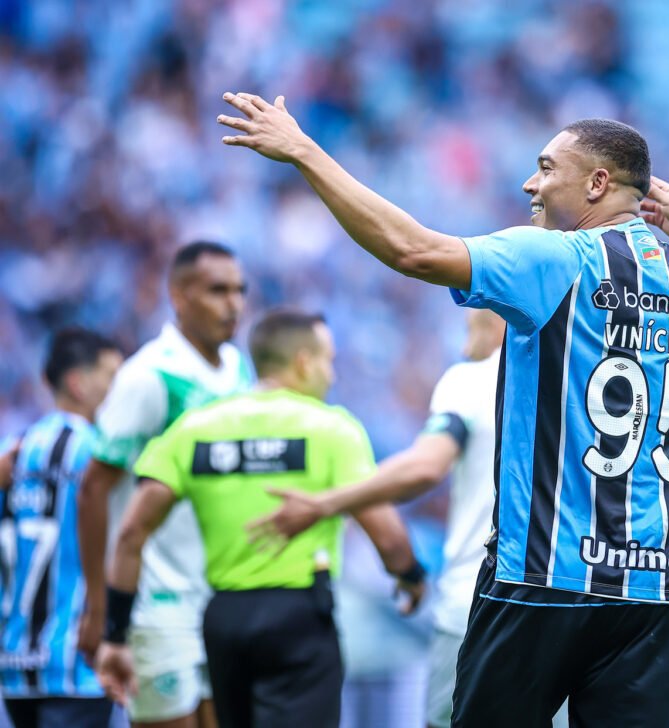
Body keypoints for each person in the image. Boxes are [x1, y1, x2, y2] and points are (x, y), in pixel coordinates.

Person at [218, 92, 669, 727]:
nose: (529, 183)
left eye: (546, 168)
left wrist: (304, 152)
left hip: (542, 578)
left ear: (597, 183)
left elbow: (412, 251)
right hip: (655, 592)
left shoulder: (558, 257)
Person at [94, 309, 423, 728]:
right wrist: (410, 574)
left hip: (223, 621)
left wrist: (115, 632)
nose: (332, 375)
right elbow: (388, 536)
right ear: (303, 362)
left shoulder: (196, 428)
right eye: (328, 361)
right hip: (299, 618)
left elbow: (131, 534)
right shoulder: (330, 428)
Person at [246, 308, 548, 728]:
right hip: (569, 612)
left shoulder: (472, 377)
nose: (463, 346)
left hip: (478, 608)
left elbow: (426, 467)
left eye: (469, 329)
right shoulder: (583, 377)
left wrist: (325, 503)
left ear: (502, 315)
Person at [76, 241, 251, 728]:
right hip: (159, 603)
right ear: (178, 294)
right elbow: (93, 487)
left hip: (220, 597)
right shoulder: (149, 376)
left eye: (240, 291)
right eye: (218, 291)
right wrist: (98, 604)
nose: (233, 304)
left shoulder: (238, 370)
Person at [0, 329, 123, 728]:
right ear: (78, 383)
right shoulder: (98, 452)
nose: (120, 393)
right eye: (111, 378)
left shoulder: (15, 450)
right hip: (78, 655)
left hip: (16, 660)